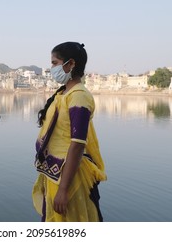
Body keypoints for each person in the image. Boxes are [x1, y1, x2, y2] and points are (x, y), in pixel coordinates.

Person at [32, 42, 107, 222]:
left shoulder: (78, 96)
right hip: (55, 174)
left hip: (69, 178)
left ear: (70, 64)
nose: (52, 68)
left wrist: (63, 190)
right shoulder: (64, 94)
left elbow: (77, 145)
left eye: (55, 63)